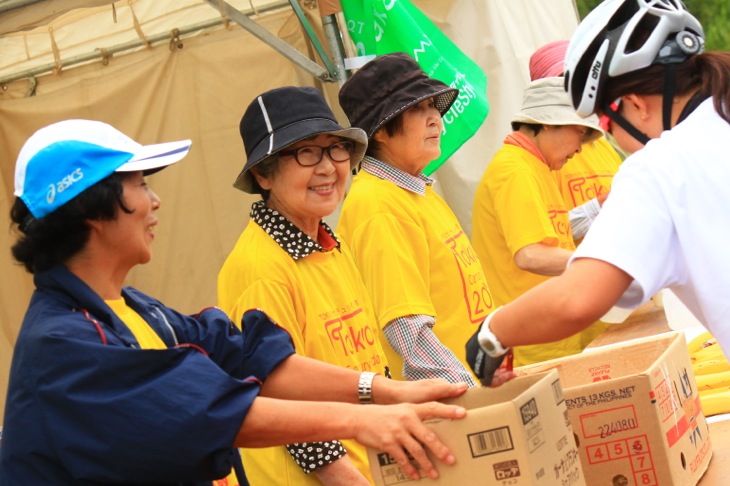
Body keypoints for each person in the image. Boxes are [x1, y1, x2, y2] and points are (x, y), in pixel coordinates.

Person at [0, 119, 471, 485]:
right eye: (140, 185)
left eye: (337, 151)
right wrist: (364, 418)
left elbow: (253, 356)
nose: (156, 200)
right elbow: (210, 410)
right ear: (90, 209)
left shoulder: (132, 308)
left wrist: (389, 392)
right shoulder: (66, 345)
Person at [467, 0, 730, 385]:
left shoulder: (661, 165)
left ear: (636, 105)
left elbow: (576, 299)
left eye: (604, 121)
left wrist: (492, 332)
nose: (600, 138)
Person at [217, 86, 391, 485]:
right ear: (263, 174)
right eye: (306, 152)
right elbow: (282, 400)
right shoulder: (259, 268)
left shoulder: (328, 245)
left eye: (336, 149)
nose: (328, 167)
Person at [336, 52, 494, 386]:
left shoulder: (416, 190)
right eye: (417, 109)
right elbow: (405, 327)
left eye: (434, 106)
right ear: (380, 130)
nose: (436, 119)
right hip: (449, 402)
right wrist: (471, 395)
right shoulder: (377, 204)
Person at [470, 76, 609, 367]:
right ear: (547, 122)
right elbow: (530, 254)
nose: (581, 147)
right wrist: (601, 264)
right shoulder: (515, 170)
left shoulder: (535, 167)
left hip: (549, 338)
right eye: (579, 133)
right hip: (533, 346)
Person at [529, 40, 624, 241]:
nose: (581, 92)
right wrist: (600, 206)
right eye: (567, 84)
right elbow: (539, 239)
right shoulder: (537, 158)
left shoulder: (604, 146)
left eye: (584, 81)